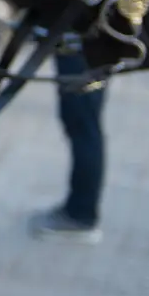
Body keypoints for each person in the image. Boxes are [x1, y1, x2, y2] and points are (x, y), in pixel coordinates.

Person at [30, 50, 105, 242]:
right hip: (87, 50)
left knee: (83, 125)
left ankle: (81, 214)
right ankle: (80, 210)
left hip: (83, 48)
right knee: (84, 124)